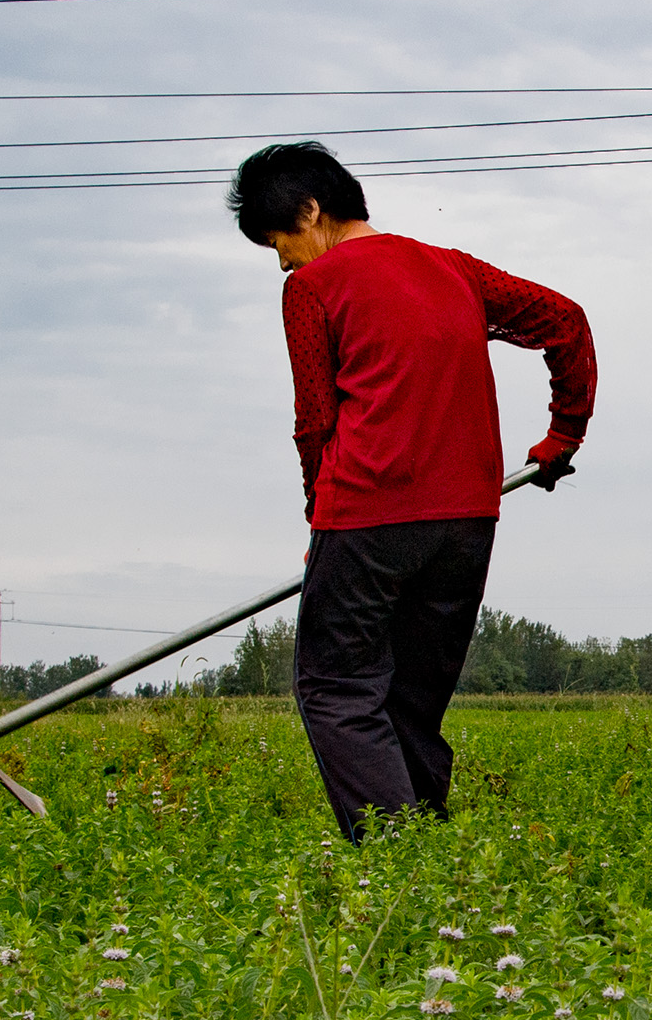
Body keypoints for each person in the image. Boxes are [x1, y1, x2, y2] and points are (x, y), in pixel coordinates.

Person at [233, 142, 597, 841]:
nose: (281, 261)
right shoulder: (453, 268)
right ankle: (429, 854)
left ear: (311, 210)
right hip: (467, 522)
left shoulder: (311, 288)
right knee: (411, 700)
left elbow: (316, 421)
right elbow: (566, 320)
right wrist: (562, 438)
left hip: (368, 511)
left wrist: (323, 523)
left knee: (336, 689)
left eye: (279, 241)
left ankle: (399, 857)